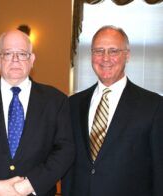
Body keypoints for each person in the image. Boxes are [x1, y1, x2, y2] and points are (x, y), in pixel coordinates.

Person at [0, 30, 75, 196]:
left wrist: (29, 185)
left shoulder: (56, 100)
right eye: (8, 53)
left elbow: (65, 149)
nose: (15, 59)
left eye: (22, 54)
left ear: (32, 59)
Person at [61, 25, 163, 196]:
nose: (105, 58)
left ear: (127, 55)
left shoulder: (154, 106)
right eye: (98, 51)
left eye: (113, 51)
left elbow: (160, 170)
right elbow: (68, 161)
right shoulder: (73, 104)